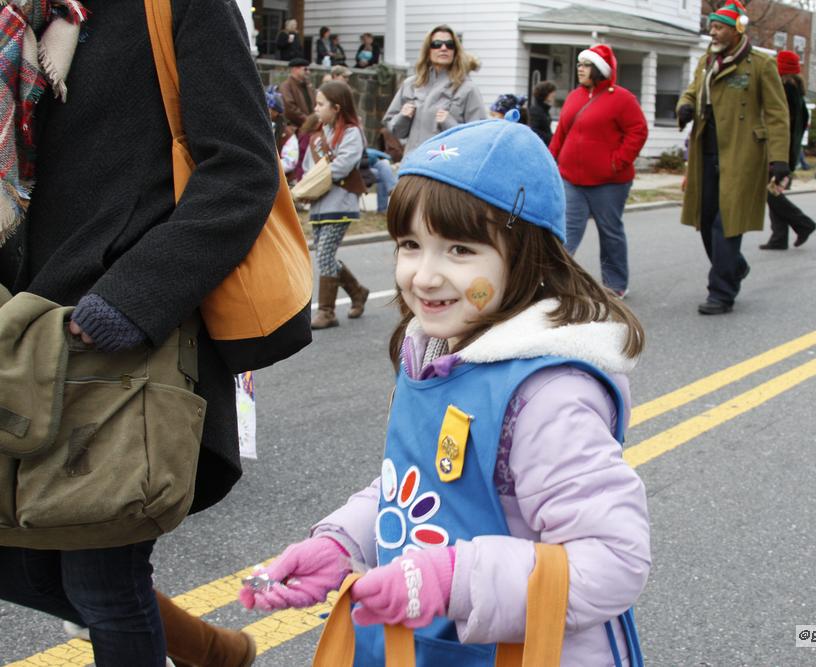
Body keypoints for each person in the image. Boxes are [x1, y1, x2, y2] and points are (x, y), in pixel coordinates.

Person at [240, 118, 650, 666]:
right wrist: (342, 545)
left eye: (459, 249)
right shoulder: (434, 349)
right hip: (427, 645)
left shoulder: (547, 394)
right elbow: (417, 487)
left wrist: (450, 578)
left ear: (529, 254)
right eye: (410, 244)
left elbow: (614, 560)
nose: (424, 276)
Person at [0, 3, 275, 665]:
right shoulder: (19, 17)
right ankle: (208, 648)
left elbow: (241, 169)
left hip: (117, 337)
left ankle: (205, 648)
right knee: (22, 562)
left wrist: (131, 300)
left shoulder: (181, 6)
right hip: (18, 336)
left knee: (100, 569)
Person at [676, 0, 789, 314]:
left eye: (719, 27)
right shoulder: (705, 62)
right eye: (711, 26)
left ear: (737, 30)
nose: (712, 32)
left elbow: (778, 115)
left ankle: (721, 292)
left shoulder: (760, 65)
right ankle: (734, 266)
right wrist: (684, 107)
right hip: (706, 152)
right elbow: (692, 91)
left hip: (742, 155)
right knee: (705, 220)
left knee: (725, 225)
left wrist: (779, 159)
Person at [549, 44, 648, 299]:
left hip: (609, 183)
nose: (579, 69)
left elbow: (638, 131)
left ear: (599, 70)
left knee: (610, 231)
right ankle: (553, 282)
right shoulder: (574, 96)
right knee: (565, 232)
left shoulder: (622, 99)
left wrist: (616, 162)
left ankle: (615, 284)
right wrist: (550, 162)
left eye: (585, 65)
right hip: (571, 179)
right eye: (579, 64)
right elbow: (561, 133)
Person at [302, 81, 371, 329]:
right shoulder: (320, 135)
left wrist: (313, 180)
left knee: (325, 254)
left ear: (337, 107)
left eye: (321, 104)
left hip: (340, 202)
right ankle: (358, 292)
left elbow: (342, 166)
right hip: (320, 203)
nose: (316, 109)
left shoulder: (352, 133)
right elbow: (310, 167)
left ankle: (327, 311)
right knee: (324, 255)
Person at [383, 25, 487, 156]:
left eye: (449, 44)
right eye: (437, 44)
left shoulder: (468, 89)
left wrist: (449, 123)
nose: (443, 48)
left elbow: (479, 137)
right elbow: (395, 130)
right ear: (428, 50)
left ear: (455, 51)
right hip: (412, 165)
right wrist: (402, 116)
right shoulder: (410, 84)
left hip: (444, 169)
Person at [760, 51, 816, 250]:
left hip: (779, 153)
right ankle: (779, 237)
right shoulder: (797, 93)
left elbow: (782, 126)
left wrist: (779, 157)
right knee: (773, 191)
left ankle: (804, 224)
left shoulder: (785, 91)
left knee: (768, 192)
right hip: (785, 152)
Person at [279, 57, 316, 135]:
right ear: (295, 69)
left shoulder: (308, 86)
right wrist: (309, 121)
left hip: (310, 128)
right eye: (305, 69)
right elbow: (290, 108)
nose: (308, 72)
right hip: (296, 130)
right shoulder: (286, 86)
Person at [528, 80, 557, 145]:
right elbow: (534, 130)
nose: (554, 95)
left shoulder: (545, 109)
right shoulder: (536, 110)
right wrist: (551, 138)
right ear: (545, 94)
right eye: (552, 92)